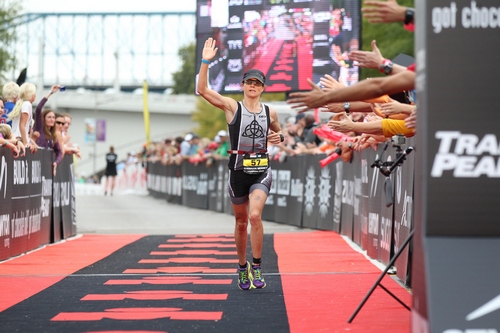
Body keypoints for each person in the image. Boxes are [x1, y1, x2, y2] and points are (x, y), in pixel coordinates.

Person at [197, 37, 284, 290]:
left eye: (257, 83)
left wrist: (279, 136)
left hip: (261, 171)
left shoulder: (271, 112)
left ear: (263, 88)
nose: (253, 87)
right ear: (243, 85)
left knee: (255, 216)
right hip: (237, 171)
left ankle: (257, 266)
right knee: (241, 221)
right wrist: (205, 62)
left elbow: (278, 132)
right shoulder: (231, 107)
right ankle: (242, 267)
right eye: (249, 83)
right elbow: (203, 90)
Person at [7, 82, 38, 153]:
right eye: (34, 93)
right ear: (31, 94)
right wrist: (26, 143)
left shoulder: (20, 103)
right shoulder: (27, 104)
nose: (35, 95)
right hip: (19, 139)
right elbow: (22, 125)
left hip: (16, 137)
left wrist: (32, 142)